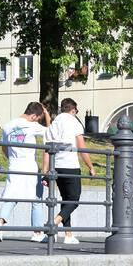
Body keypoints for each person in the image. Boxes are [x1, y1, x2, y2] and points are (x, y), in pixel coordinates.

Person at [0, 102, 51, 242]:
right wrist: (47, 115)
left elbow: (4, 148)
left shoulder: (7, 126)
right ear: (34, 116)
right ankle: (37, 233)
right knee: (36, 198)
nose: (38, 121)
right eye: (38, 118)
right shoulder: (32, 125)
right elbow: (51, 132)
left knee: (12, 197)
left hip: (14, 165)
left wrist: (12, 158)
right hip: (29, 165)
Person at [47, 98, 94, 245]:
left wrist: (46, 170)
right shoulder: (74, 122)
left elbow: (47, 147)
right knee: (74, 200)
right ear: (73, 110)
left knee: (65, 199)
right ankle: (53, 222)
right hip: (70, 165)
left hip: (56, 165)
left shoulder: (55, 123)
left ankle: (68, 234)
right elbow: (81, 147)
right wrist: (90, 166)